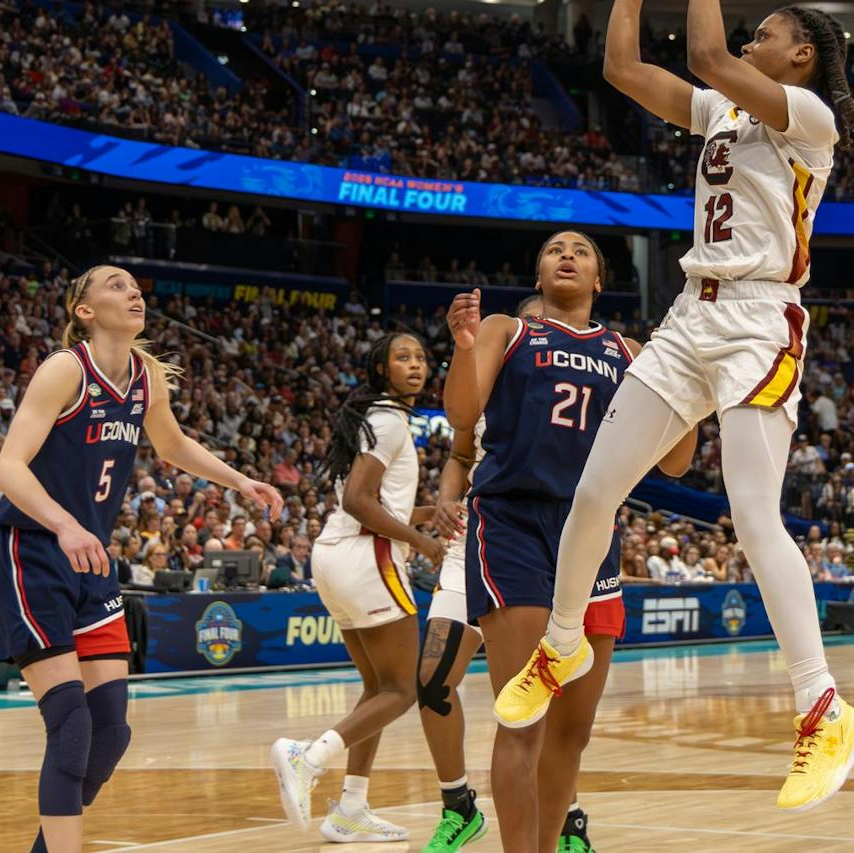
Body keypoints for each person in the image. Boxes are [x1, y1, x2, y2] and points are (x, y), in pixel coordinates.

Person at [493, 0, 854, 814]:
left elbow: (703, 46)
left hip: (757, 319)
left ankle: (822, 706)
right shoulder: (724, 113)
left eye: (770, 31)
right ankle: (565, 639)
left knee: (753, 515)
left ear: (805, 52)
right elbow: (625, 66)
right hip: (687, 316)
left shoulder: (808, 121)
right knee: (595, 489)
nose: (752, 37)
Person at [0, 266, 281, 853]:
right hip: (33, 553)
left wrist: (240, 481)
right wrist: (64, 524)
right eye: (116, 285)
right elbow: (7, 469)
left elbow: (172, 445)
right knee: (70, 728)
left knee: (111, 734)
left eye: (135, 286)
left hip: (91, 562)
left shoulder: (145, 376)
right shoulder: (65, 369)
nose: (133, 292)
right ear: (85, 310)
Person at [449, 232, 697, 851]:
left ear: (599, 280)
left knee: (571, 731)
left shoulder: (629, 350)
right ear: (538, 273)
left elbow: (674, 464)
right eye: (555, 248)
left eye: (581, 251)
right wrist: (461, 348)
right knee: (525, 715)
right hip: (513, 524)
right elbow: (461, 414)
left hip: (592, 531)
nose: (567, 254)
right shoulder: (509, 329)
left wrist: (693, 391)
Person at [270, 332, 446, 842]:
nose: (415, 364)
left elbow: (371, 501)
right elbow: (358, 500)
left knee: (377, 689)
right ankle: (309, 757)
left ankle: (350, 808)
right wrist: (423, 542)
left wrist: (430, 515)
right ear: (378, 369)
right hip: (367, 555)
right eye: (402, 357)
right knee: (403, 688)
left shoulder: (372, 419)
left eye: (420, 357)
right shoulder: (389, 421)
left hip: (335, 556)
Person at [417, 293, 544, 853]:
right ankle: (459, 806)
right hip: (475, 541)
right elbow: (459, 453)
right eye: (528, 326)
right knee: (432, 679)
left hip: (542, 543)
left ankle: (565, 817)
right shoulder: (488, 385)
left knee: (539, 701)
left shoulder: (584, 392)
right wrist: (446, 498)